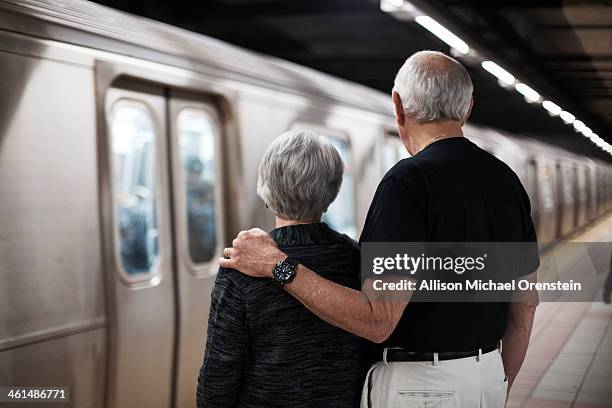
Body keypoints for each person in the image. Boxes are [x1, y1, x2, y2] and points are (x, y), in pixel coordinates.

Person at [220, 50, 540, 408]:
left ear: (398, 106)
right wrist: (494, 383)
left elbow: (379, 320)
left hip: (422, 388)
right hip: (488, 376)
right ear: (467, 109)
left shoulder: (408, 182)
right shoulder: (506, 181)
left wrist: (277, 266)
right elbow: (525, 307)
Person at [196, 130, 365, 407]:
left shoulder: (241, 267)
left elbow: (220, 374)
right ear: (332, 194)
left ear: (266, 191)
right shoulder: (355, 259)